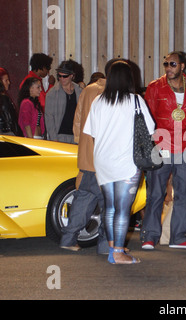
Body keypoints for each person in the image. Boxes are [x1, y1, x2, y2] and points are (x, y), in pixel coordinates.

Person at [83, 60, 155, 264]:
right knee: (123, 209)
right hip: (126, 162)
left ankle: (114, 247)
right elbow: (149, 130)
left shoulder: (98, 101)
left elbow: (92, 133)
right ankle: (117, 254)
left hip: (103, 161)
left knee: (110, 207)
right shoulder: (135, 101)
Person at [141, 51, 186, 250]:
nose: (168, 68)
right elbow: (147, 118)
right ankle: (150, 236)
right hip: (161, 146)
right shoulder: (154, 87)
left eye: (172, 64)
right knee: (156, 193)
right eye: (166, 64)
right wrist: (150, 145)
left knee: (184, 194)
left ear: (183, 66)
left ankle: (178, 236)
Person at [59, 60, 118, 253]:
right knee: (111, 205)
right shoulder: (115, 93)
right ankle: (105, 246)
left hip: (87, 159)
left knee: (83, 200)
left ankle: (68, 239)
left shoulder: (88, 90)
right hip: (106, 160)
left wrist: (82, 144)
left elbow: (77, 121)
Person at [45, 60, 82, 143]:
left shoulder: (80, 92)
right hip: (59, 136)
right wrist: (54, 138)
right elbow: (49, 117)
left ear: (72, 76)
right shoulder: (52, 93)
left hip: (76, 137)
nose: (61, 79)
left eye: (65, 76)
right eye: (59, 76)